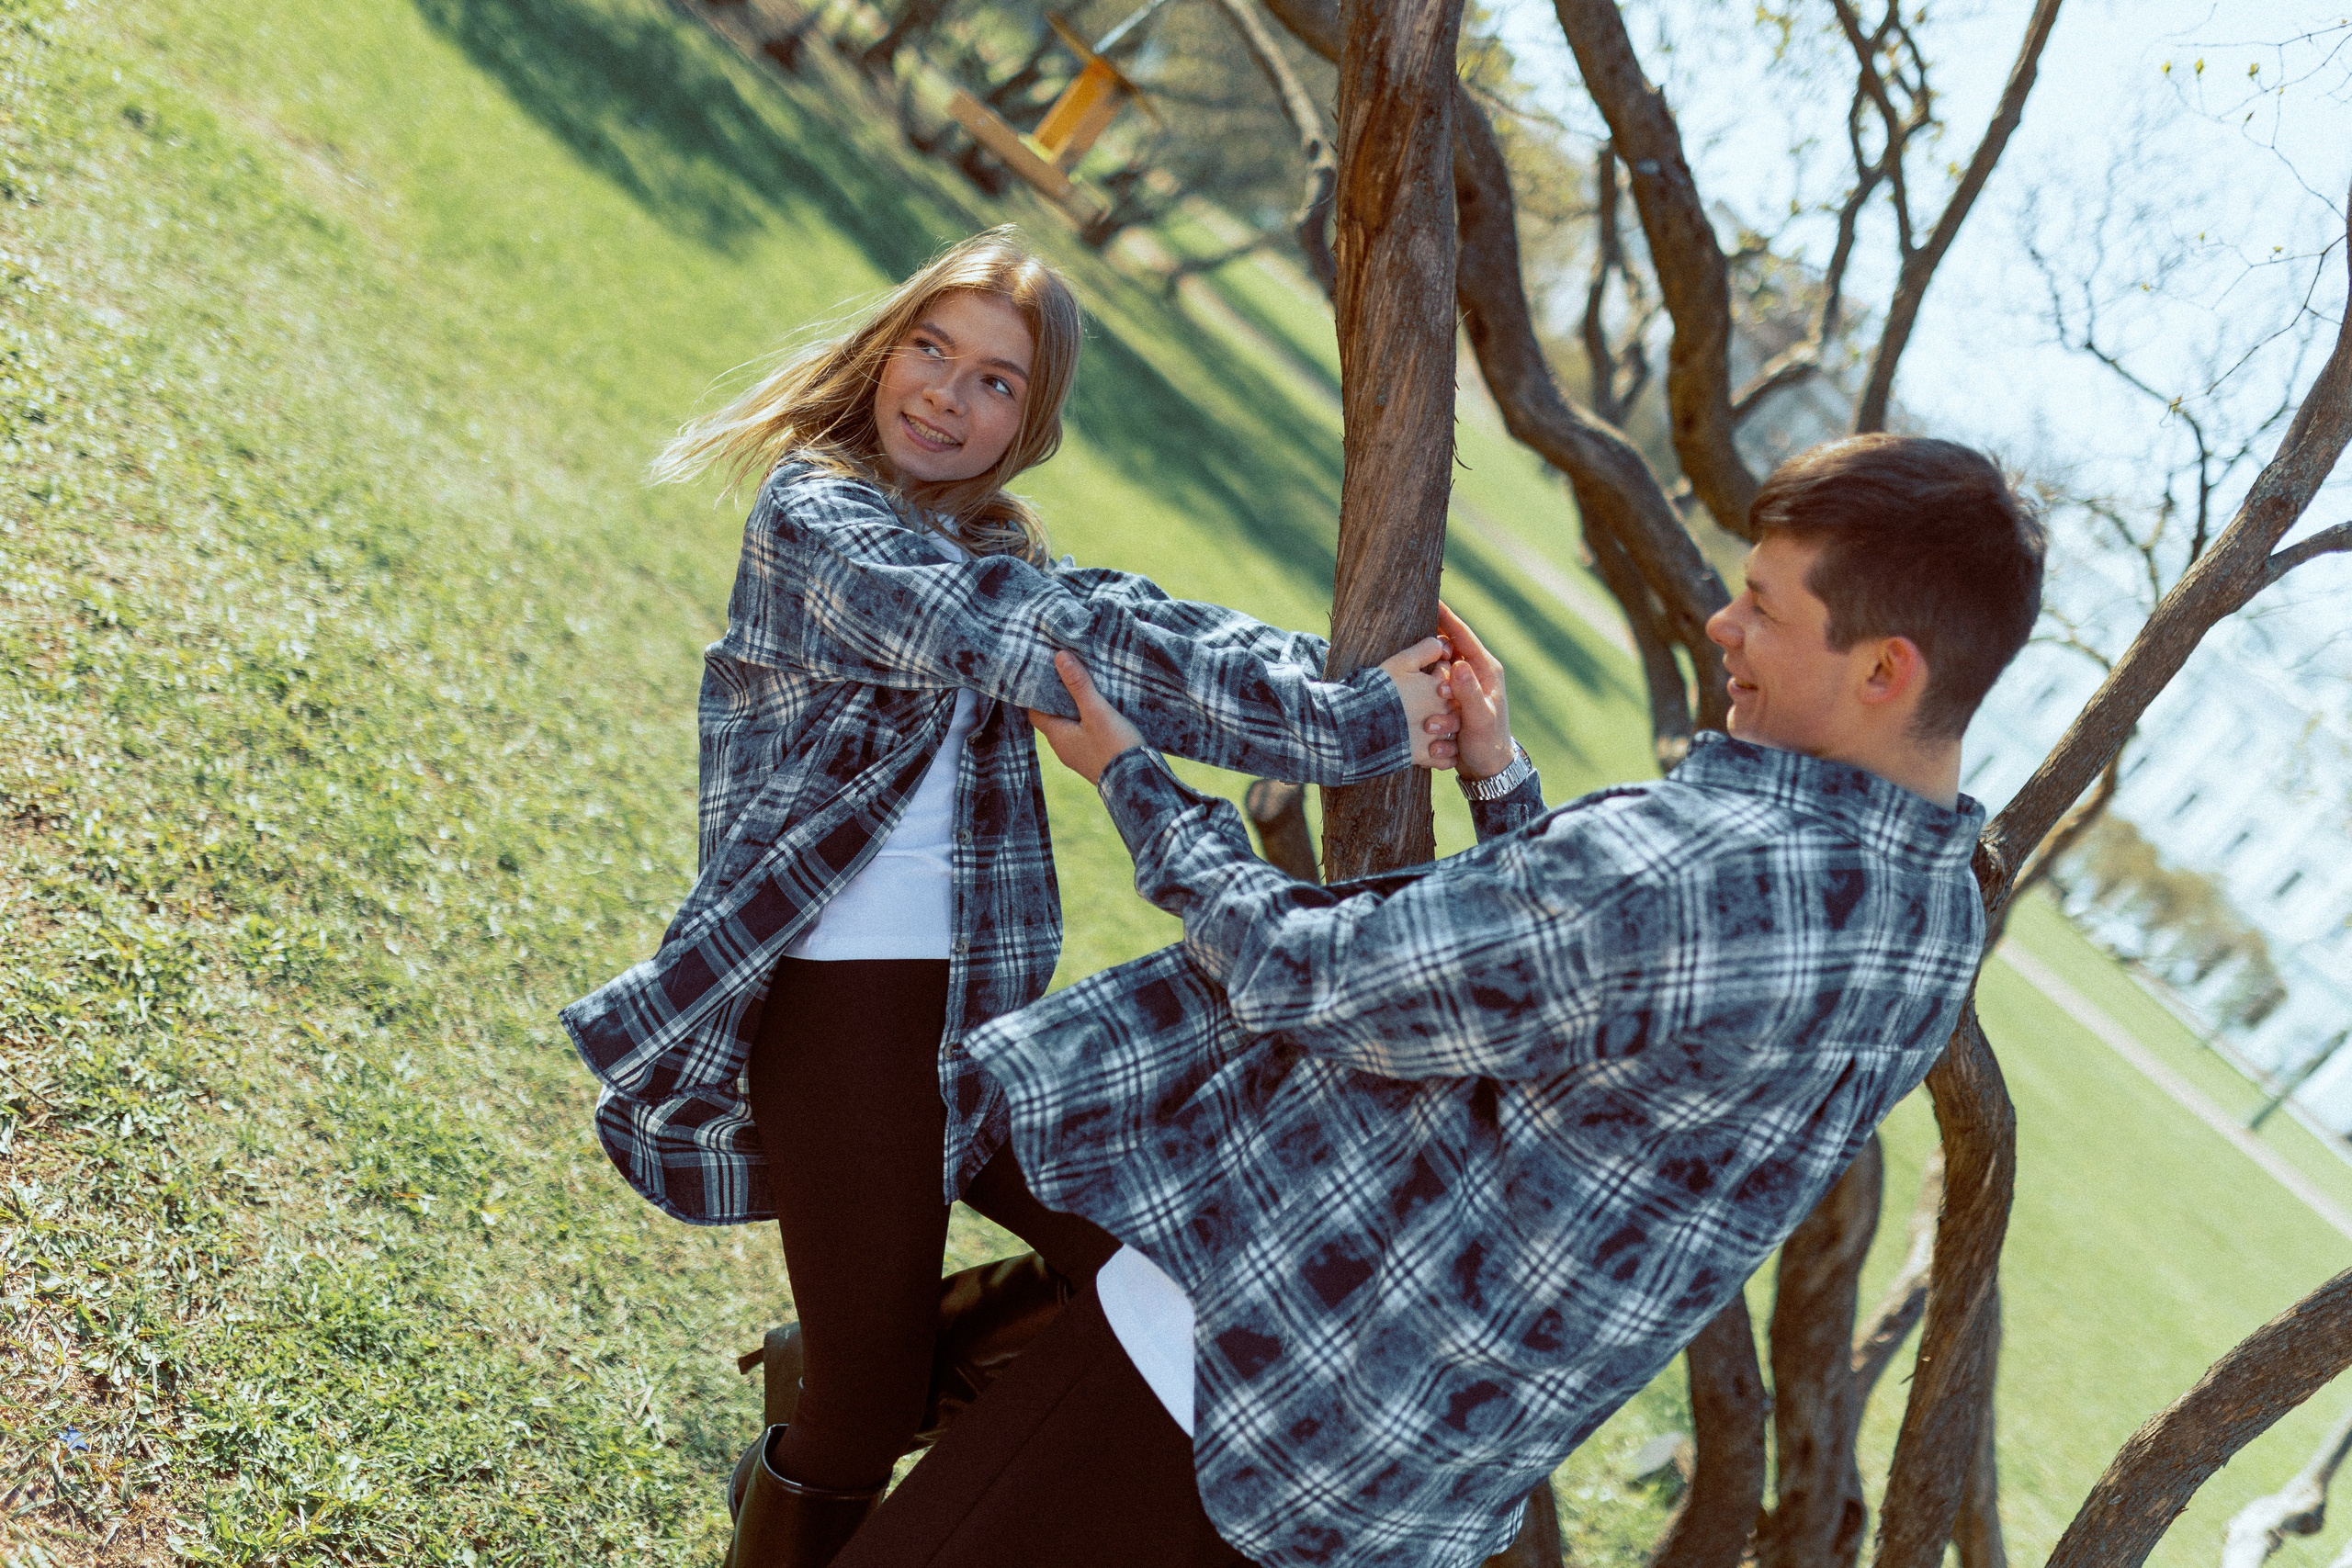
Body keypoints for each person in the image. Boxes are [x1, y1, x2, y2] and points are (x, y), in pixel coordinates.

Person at [828, 434, 2046, 1568]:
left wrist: (1134, 780)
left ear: (1887, 668)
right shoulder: (1935, 915)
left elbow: (1320, 977)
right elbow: (1625, 1043)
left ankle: (843, 1412)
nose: (1721, 623)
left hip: (1229, 1393)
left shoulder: (1712, 867)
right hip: (1405, 1486)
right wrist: (1508, 790)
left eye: (1768, 609)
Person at [558, 228, 1469, 1568]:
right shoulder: (821, 523)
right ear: (884, 352)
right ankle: (858, 1370)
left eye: (995, 381)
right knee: (859, 1422)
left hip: (981, 1015)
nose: (946, 393)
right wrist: (1350, 725)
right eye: (931, 348)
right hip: (838, 1006)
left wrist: (1370, 675)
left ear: (1027, 425)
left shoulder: (996, 545)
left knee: (1173, 1267)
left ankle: (874, 1330)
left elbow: (1145, 626)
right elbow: (1043, 650)